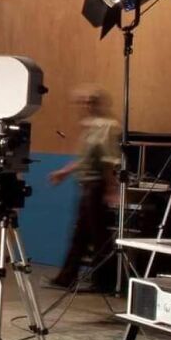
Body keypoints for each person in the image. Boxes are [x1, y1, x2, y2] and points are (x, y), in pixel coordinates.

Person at [46, 84, 121, 291]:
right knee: (82, 235)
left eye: (90, 101)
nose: (86, 105)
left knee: (98, 236)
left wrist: (110, 190)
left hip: (97, 186)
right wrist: (64, 172)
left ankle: (103, 282)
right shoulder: (90, 126)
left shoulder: (107, 126)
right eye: (83, 101)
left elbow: (108, 160)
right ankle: (67, 278)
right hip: (87, 185)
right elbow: (85, 159)